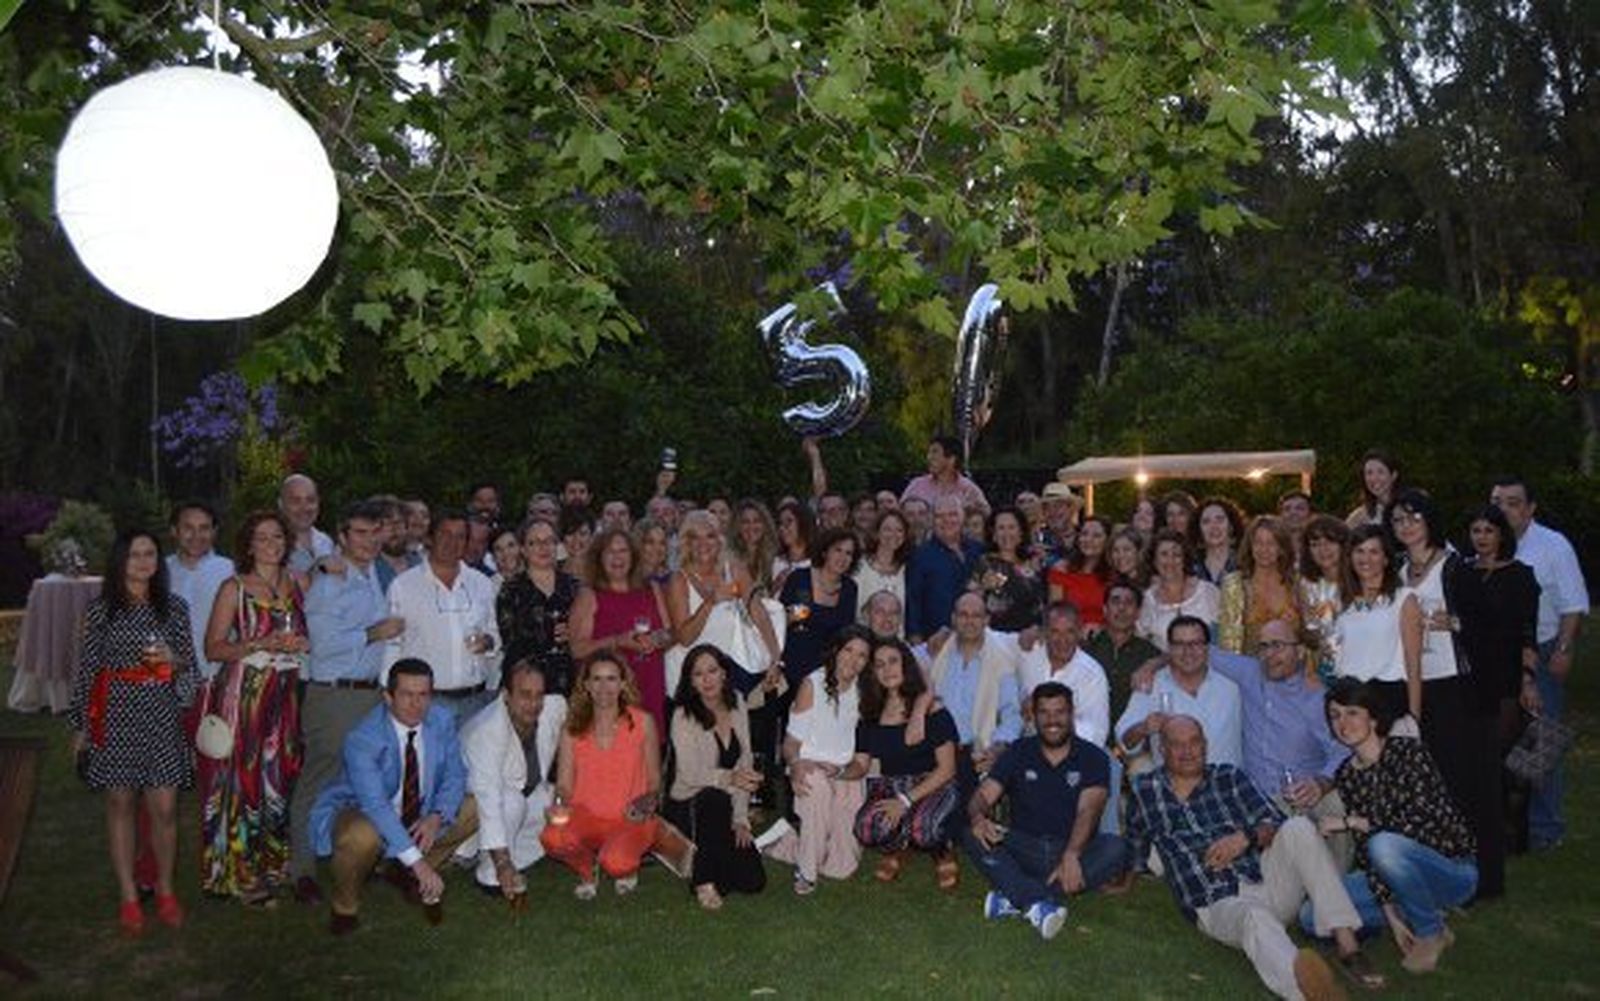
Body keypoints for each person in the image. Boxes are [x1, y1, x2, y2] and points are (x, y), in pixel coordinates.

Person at [1127, 716, 1379, 999]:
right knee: (1254, 918)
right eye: (1176, 745)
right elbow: (1136, 842)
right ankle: (1309, 992)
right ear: (1162, 749)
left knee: (1297, 827)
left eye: (1194, 742)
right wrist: (1126, 879)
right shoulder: (1145, 790)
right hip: (1215, 902)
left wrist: (1244, 838)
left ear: (1205, 745)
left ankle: (1348, 947)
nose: (1187, 752)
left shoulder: (1228, 776)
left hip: (1267, 881)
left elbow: (1274, 820)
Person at [69, 529, 201, 933]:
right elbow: (88, 671)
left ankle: (164, 888)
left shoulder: (174, 608)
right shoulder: (100, 611)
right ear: (119, 562)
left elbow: (189, 669)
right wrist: (81, 726)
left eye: (150, 554)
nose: (144, 562)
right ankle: (129, 895)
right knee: (121, 804)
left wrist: (173, 660)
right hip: (114, 715)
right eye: (134, 555)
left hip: (159, 713)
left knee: (163, 808)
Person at [310, 658, 479, 934]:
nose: (416, 704)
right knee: (361, 835)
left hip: (417, 813)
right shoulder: (363, 738)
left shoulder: (441, 720)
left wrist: (437, 816)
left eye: (423, 695)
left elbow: (455, 775)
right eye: (407, 695)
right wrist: (420, 863)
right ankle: (346, 905)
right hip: (364, 812)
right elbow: (375, 805)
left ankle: (405, 872)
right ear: (388, 697)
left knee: (473, 807)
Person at [290, 501, 405, 905]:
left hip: (369, 693)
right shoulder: (330, 581)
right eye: (359, 532)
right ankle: (302, 870)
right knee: (319, 779)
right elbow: (323, 644)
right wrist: (373, 633)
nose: (369, 540)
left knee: (364, 779)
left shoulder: (372, 573)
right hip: (334, 694)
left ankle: (362, 854)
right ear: (341, 536)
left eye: (375, 532)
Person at [1321, 680, 1477, 974]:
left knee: (1385, 845)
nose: (1343, 723)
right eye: (1335, 715)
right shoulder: (1347, 775)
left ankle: (1431, 932)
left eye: (1352, 712)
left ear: (1374, 717)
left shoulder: (1407, 751)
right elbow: (1368, 856)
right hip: (1392, 872)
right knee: (1313, 912)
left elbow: (1421, 820)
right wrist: (1389, 914)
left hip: (1449, 868)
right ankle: (1414, 908)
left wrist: (1351, 821)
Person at [964, 683, 1133, 939]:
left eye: (1060, 712)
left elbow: (1090, 809)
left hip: (1072, 848)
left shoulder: (1093, 757)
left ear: (1071, 713)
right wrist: (978, 817)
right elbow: (984, 794)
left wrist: (1072, 854)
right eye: (1044, 712)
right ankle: (1037, 901)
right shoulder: (1018, 751)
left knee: (1116, 848)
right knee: (970, 831)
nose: (1052, 720)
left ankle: (1013, 895)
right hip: (1023, 847)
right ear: (1033, 715)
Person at [200, 510, 310, 905]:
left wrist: (298, 643)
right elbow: (212, 648)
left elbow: (305, 635)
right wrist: (259, 644)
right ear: (248, 544)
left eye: (278, 536)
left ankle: (272, 864)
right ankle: (239, 873)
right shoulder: (234, 588)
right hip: (244, 695)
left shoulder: (296, 583)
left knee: (278, 778)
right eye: (262, 538)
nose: (271, 544)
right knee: (242, 781)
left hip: (284, 694)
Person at [1489, 475, 1588, 851]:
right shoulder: (1485, 545)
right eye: (1499, 501)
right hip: (1497, 657)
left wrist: (1563, 649)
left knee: (1541, 741)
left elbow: (1574, 604)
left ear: (1530, 508)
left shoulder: (1552, 546)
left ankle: (1546, 829)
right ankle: (1508, 826)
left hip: (1543, 651)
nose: (1505, 509)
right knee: (1503, 745)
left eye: (1514, 502)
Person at [1204, 621, 1352, 866]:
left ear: (1300, 651)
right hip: (1257, 800)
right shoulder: (1250, 672)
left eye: (1278, 646)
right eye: (1263, 647)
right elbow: (1196, 649)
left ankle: (1337, 884)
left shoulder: (1316, 698)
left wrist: (1321, 783)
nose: (1269, 654)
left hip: (1302, 797)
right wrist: (1152, 664)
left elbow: (1343, 749)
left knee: (1335, 802)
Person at [1454, 504, 1540, 886]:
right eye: (1476, 531)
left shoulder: (1521, 577)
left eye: (1489, 530)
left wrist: (1527, 680)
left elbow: (1528, 632)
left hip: (1506, 679)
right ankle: (1476, 834)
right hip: (1468, 678)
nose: (1482, 538)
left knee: (1509, 764)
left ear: (1502, 535)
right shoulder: (1460, 574)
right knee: (1475, 760)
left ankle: (1511, 837)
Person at [541, 653, 663, 899]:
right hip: (585, 815)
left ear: (622, 684)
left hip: (631, 817)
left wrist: (646, 802)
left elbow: (655, 782)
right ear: (586, 685)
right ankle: (587, 869)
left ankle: (626, 866)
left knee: (617, 863)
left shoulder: (643, 722)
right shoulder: (572, 728)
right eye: (596, 679)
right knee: (552, 837)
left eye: (611, 679)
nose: (604, 687)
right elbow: (564, 784)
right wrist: (559, 804)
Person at [763, 626, 873, 894]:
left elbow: (863, 761)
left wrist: (841, 772)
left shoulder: (866, 693)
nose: (853, 660)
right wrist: (796, 764)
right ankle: (806, 871)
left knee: (841, 868)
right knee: (818, 788)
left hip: (845, 774)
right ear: (836, 651)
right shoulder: (812, 684)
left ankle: (783, 841)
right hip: (810, 769)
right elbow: (790, 743)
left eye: (862, 655)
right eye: (848, 650)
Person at [848, 637, 961, 888]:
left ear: (906, 664)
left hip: (934, 784)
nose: (887, 670)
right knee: (866, 830)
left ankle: (942, 851)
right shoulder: (869, 713)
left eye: (893, 661)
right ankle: (898, 847)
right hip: (890, 786)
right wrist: (839, 773)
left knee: (925, 831)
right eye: (879, 665)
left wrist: (905, 801)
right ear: (872, 672)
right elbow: (861, 764)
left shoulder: (931, 708)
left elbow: (948, 769)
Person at [1389, 490, 1474, 819]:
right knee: (1421, 759)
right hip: (1411, 679)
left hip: (1450, 678)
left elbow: (1486, 620)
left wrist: (1454, 622)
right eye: (1398, 520)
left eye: (1414, 517)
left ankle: (1462, 834)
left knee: (1454, 759)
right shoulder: (1397, 570)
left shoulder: (1454, 566)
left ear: (1429, 520)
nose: (1406, 526)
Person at [666, 645, 768, 909]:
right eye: (698, 674)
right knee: (714, 798)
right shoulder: (683, 714)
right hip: (689, 803)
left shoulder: (737, 702)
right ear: (690, 681)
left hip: (727, 801)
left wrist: (741, 818)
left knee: (753, 882)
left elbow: (745, 762)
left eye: (712, 670)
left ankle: (704, 859)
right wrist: (729, 779)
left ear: (724, 673)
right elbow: (689, 774)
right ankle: (703, 881)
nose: (707, 679)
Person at [456, 659, 566, 897]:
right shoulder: (485, 732)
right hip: (471, 810)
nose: (534, 704)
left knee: (553, 801)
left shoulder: (554, 707)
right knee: (511, 801)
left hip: (517, 795)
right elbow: (489, 799)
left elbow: (578, 728)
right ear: (506, 695)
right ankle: (491, 872)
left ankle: (508, 857)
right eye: (525, 695)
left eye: (539, 695)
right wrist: (502, 862)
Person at [388, 510, 502, 719]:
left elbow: (495, 634)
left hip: (475, 700)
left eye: (460, 536)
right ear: (430, 538)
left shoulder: (482, 584)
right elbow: (392, 646)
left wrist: (487, 642)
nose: (453, 542)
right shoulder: (404, 586)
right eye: (445, 534)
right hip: (426, 704)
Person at [569, 527, 672, 734]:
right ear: (599, 558)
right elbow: (576, 649)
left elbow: (669, 633)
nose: (617, 558)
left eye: (623, 551)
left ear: (633, 556)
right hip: (608, 695)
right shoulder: (589, 595)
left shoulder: (651, 588)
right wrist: (617, 641)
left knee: (650, 756)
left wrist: (656, 639)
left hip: (649, 684)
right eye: (610, 552)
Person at [666, 510, 782, 693]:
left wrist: (775, 659)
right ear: (687, 543)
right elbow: (685, 638)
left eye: (710, 536)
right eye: (695, 537)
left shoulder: (734, 571)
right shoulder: (678, 580)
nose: (703, 544)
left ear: (720, 540)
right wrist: (710, 602)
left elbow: (759, 614)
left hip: (724, 679)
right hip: (687, 680)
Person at [927, 593, 1024, 806]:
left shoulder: (1002, 659)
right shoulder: (937, 653)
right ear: (953, 619)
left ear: (986, 620)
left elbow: (1012, 714)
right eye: (963, 614)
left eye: (976, 615)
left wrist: (998, 747)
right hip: (935, 754)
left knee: (965, 829)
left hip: (976, 756)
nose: (969, 621)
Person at [1116, 616, 1243, 768]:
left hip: (1226, 786)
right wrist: (1144, 728)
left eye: (1195, 643)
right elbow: (1125, 743)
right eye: (1179, 644)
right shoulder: (1151, 686)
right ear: (1169, 649)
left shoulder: (1231, 687)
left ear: (1207, 647)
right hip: (1174, 788)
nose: (1187, 652)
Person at [1331, 525, 1422, 727]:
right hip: (1348, 697)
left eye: (1374, 552)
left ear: (1386, 559)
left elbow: (1413, 663)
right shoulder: (1343, 602)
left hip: (1387, 697)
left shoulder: (1404, 599)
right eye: (1360, 551)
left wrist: (1414, 717)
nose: (1366, 559)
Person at [496, 517, 576, 696]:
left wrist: (576, 631)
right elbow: (511, 642)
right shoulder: (510, 590)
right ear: (523, 549)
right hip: (527, 689)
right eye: (535, 542)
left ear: (558, 546)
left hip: (572, 685)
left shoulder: (575, 587)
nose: (543, 547)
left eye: (549, 541)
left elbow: (590, 635)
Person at [778, 527, 861, 693]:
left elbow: (846, 634)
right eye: (837, 550)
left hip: (826, 675)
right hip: (790, 671)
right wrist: (792, 615)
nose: (842, 557)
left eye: (848, 553)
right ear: (825, 552)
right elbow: (777, 622)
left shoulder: (850, 588)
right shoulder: (799, 578)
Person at [1017, 602, 1110, 747]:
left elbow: (1097, 735)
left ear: (1079, 633)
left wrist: (1054, 717)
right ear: (1045, 633)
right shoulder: (1028, 657)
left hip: (1073, 755)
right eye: (1055, 631)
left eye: (1070, 631)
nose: (1063, 640)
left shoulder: (1092, 674)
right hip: (1028, 749)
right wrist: (1022, 708)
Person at [165, 500, 234, 683]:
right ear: (174, 531)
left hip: (217, 681)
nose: (196, 535)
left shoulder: (232, 572)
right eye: (188, 528)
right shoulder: (157, 572)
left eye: (204, 528)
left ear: (214, 532)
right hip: (165, 683)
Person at [904, 496, 985, 644]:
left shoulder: (979, 550)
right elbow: (912, 601)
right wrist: (915, 640)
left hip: (979, 639)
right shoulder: (919, 556)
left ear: (963, 517)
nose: (946, 520)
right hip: (937, 642)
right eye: (939, 516)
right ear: (931, 520)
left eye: (952, 514)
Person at [1217, 515, 1302, 654]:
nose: (1264, 549)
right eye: (1258, 542)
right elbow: (1229, 645)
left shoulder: (1297, 583)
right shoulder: (1234, 585)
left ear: (1282, 548)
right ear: (1250, 546)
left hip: (1294, 669)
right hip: (1249, 670)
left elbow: (1311, 635)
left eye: (1271, 543)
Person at [1084, 579, 1163, 723]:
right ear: (1105, 609)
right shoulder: (1086, 649)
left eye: (1129, 602)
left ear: (1138, 612)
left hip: (1133, 740)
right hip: (1089, 737)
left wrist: (1157, 662)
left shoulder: (1150, 654)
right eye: (1115, 601)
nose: (1122, 608)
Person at [1140, 530, 1220, 651]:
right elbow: (1142, 641)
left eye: (1176, 555)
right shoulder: (1147, 600)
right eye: (1164, 554)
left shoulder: (1207, 592)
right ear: (1154, 560)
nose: (1170, 561)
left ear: (1185, 559)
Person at [969, 506, 1045, 634]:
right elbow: (971, 602)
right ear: (993, 534)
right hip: (996, 640)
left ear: (1021, 532)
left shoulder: (1034, 564)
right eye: (1001, 528)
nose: (1006, 533)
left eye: (1011, 527)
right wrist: (982, 588)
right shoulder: (983, 564)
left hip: (1031, 640)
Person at [1299, 515, 1352, 685]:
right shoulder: (1306, 585)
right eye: (1315, 544)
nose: (1323, 549)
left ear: (1344, 544)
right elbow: (1308, 629)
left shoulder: (1362, 579)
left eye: (1329, 541)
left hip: (1360, 667)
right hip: (1323, 670)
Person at [899, 433, 991, 517]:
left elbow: (986, 514)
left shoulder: (968, 489)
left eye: (935, 452)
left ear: (951, 459)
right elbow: (899, 515)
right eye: (929, 453)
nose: (929, 457)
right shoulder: (916, 485)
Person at [1047, 514, 1112, 630]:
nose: (1088, 540)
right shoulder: (1061, 570)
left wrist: (1100, 628)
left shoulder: (1114, 574)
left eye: (1096, 536)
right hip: (1069, 636)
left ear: (1107, 540)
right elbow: (1055, 615)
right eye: (1084, 534)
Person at [854, 509, 909, 632]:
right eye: (887, 529)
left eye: (899, 530)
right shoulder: (859, 567)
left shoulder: (907, 569)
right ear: (876, 533)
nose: (893, 534)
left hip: (897, 641)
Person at [279, 473, 334, 574]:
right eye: (296, 501)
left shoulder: (326, 542)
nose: (304, 508)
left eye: (311, 500)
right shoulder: (272, 547)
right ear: (281, 505)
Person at [729, 498, 780, 596]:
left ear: (765, 525)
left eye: (757, 521)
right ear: (738, 526)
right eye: (745, 522)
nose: (751, 526)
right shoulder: (730, 557)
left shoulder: (774, 558)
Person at [371, 494, 422, 592]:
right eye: (386, 524)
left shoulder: (421, 564)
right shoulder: (368, 569)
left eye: (398, 523)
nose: (393, 529)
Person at [1195, 496, 1245, 586]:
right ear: (1199, 529)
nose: (1214, 526)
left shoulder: (1245, 565)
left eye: (1220, 520)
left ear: (1231, 526)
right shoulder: (1190, 569)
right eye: (1206, 521)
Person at [1346, 449, 1402, 529]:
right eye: (1369, 473)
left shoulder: (1410, 506)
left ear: (1394, 475)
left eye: (1380, 472)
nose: (1374, 478)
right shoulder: (1359, 517)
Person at [1035, 483, 1083, 563]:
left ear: (1070, 509)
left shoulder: (1085, 536)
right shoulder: (1038, 539)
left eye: (1058, 506)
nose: (1052, 512)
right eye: (1047, 508)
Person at [772, 499, 815, 588]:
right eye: (780, 523)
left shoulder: (817, 564)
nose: (782, 528)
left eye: (789, 522)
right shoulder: (774, 562)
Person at [1107, 525, 1149, 591]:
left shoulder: (1152, 585)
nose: (1121, 555)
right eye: (1116, 550)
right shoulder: (1109, 583)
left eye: (1127, 549)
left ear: (1139, 552)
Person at [633, 517, 672, 585]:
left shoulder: (675, 580)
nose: (657, 548)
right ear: (638, 544)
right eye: (650, 542)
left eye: (662, 543)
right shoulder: (626, 579)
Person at [486, 525, 523, 594]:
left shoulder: (538, 579)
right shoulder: (488, 587)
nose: (506, 553)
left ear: (521, 548)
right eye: (498, 549)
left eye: (511, 545)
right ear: (493, 557)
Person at [1279, 490, 1314, 557]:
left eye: (1300, 508)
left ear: (1310, 514)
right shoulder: (1272, 549)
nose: (1293, 513)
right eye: (1287, 509)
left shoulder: (1320, 549)